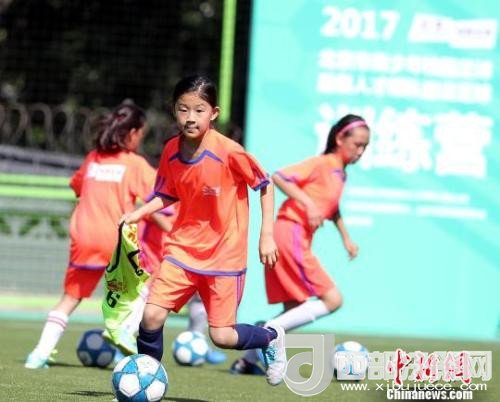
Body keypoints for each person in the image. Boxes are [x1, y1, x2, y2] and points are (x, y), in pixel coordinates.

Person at [122, 75, 287, 386]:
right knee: (152, 316)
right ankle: (146, 380)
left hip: (225, 256)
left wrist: (266, 236)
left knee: (222, 336)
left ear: (213, 113)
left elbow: (265, 185)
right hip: (181, 250)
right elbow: (166, 193)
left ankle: (270, 337)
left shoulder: (229, 151)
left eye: (199, 110)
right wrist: (137, 214)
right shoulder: (171, 150)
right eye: (183, 109)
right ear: (174, 110)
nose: (190, 117)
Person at [231, 114, 370, 374]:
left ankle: (247, 361)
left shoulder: (340, 173)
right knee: (333, 299)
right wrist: (308, 204)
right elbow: (280, 177)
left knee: (293, 310)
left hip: (291, 236)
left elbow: (332, 207)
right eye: (357, 144)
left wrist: (346, 238)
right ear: (340, 138)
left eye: (365, 146)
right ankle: (269, 331)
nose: (360, 151)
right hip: (290, 233)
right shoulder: (323, 163)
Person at [25, 103, 157, 369]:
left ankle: (38, 355)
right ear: (133, 133)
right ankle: (123, 331)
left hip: (84, 236)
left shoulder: (93, 158)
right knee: (148, 284)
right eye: (141, 134)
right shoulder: (134, 164)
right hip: (116, 238)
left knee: (70, 298)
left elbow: (76, 186)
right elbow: (159, 199)